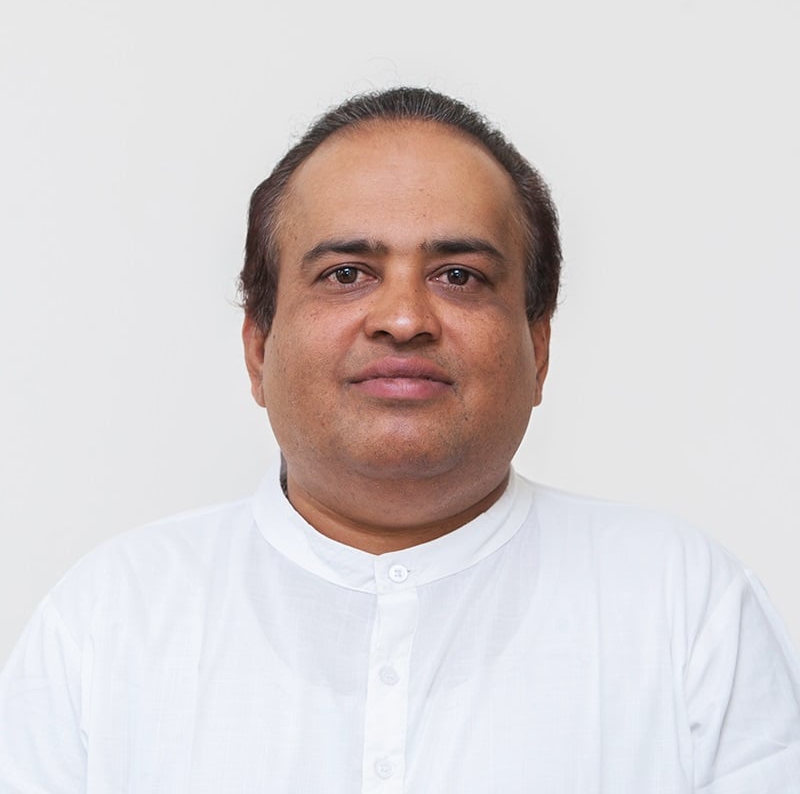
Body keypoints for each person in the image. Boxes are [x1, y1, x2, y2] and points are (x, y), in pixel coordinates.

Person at [1, 88, 798, 793]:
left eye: (459, 275)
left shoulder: (684, 607)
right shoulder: (109, 620)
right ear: (258, 347)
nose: (405, 319)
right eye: (347, 273)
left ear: (539, 346)